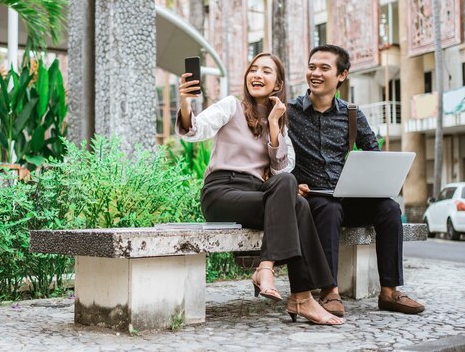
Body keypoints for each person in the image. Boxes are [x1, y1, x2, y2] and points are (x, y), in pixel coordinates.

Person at [177, 52, 343, 325]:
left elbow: (282, 170)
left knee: (298, 201)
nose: (257, 75)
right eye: (253, 69)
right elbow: (195, 129)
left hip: (257, 193)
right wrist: (185, 102)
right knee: (295, 198)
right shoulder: (231, 106)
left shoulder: (280, 121)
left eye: (266, 71)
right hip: (221, 193)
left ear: (277, 84)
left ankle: (298, 294)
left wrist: (275, 125)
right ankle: (285, 280)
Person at [287, 44, 425, 316]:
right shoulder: (290, 112)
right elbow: (274, 153)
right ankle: (329, 292)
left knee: (389, 208)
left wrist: (374, 181)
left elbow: (374, 154)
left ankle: (389, 292)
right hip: (312, 198)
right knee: (329, 207)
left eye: (324, 68)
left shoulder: (351, 114)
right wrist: (293, 182)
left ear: (342, 75)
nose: (315, 73)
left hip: (348, 195)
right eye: (312, 66)